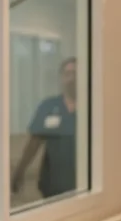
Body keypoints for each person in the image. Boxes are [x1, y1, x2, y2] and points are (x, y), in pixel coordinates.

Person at [12, 58, 79, 201]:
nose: (72, 78)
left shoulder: (93, 106)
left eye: (76, 74)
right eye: (67, 74)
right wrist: (19, 171)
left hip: (83, 184)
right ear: (61, 78)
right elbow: (34, 142)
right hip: (53, 185)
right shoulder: (48, 106)